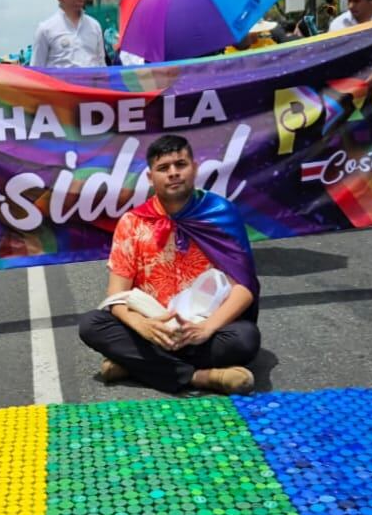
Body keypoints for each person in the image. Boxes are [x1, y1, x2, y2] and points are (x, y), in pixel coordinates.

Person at [78, 135, 261, 394]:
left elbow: (243, 287)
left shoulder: (221, 213)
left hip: (201, 328)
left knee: (244, 340)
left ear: (194, 168)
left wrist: (205, 329)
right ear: (150, 178)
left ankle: (138, 365)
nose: (173, 173)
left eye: (180, 164)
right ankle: (200, 377)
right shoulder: (133, 222)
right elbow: (116, 298)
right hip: (152, 328)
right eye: (163, 168)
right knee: (91, 324)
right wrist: (145, 326)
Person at [30, 0, 106, 68]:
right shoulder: (45, 30)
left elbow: (102, 67)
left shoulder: (95, 26)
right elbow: (36, 73)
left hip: (89, 85)